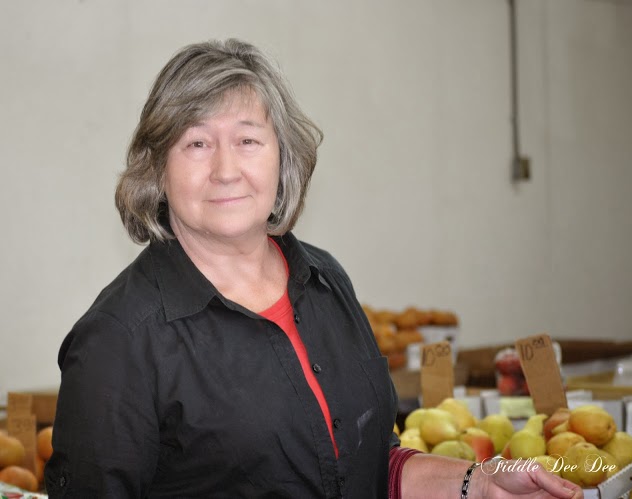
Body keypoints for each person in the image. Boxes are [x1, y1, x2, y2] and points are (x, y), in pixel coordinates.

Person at [44, 39, 583, 499]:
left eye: (248, 140)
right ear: (159, 170)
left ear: (283, 158)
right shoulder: (119, 340)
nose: (226, 169)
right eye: (197, 143)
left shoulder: (324, 281)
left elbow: (369, 465)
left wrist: (476, 482)